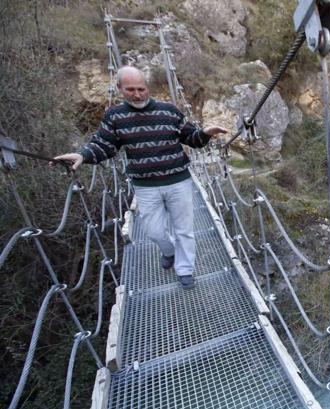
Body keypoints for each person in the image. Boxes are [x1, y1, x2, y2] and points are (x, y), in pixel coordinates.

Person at [55, 66, 227, 290]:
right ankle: (168, 251)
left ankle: (185, 269)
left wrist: (206, 133)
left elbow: (191, 138)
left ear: (148, 88)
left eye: (141, 89)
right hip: (145, 186)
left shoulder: (169, 111)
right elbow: (103, 146)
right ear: (119, 89)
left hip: (178, 181)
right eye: (130, 89)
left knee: (183, 229)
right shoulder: (115, 116)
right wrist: (82, 154)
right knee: (154, 232)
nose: (137, 94)